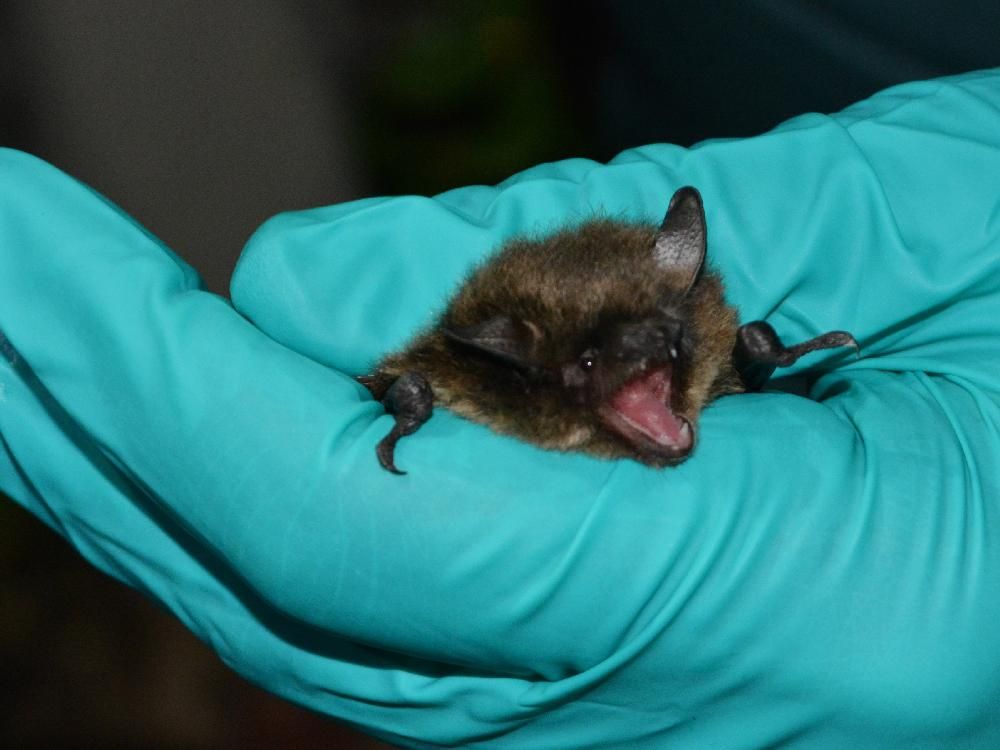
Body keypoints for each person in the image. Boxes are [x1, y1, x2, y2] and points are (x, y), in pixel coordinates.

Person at [2, 68, 1000, 748]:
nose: (653, 365)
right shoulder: (477, 375)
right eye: (606, 370)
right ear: (535, 376)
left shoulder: (692, 334)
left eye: (666, 345)